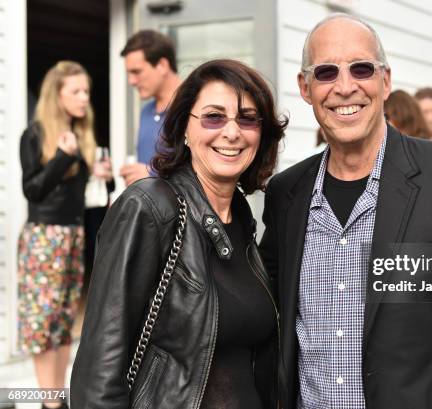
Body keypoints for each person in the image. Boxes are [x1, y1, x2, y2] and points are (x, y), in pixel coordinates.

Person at [259, 13, 432, 409]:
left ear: (385, 80)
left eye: (361, 68)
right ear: (305, 87)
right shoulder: (286, 196)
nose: (345, 87)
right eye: (325, 73)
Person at [71, 59, 287, 409]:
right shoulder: (150, 209)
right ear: (185, 128)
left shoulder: (243, 218)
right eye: (214, 117)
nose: (232, 132)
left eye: (247, 118)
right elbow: (98, 373)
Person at [18, 61, 112, 409]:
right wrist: (62, 157)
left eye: (86, 91)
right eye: (76, 91)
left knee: (63, 322)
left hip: (73, 236)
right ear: (57, 96)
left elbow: (89, 199)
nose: (84, 98)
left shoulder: (82, 135)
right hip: (44, 238)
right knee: (43, 324)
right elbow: (33, 189)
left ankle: (56, 399)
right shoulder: (36, 134)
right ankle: (51, 402)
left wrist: (101, 175)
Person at [119, 30, 181, 186]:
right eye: (129, 73)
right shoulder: (146, 112)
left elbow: (206, 174)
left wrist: (151, 173)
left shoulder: (193, 108)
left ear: (162, 65)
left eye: (136, 72)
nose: (131, 81)